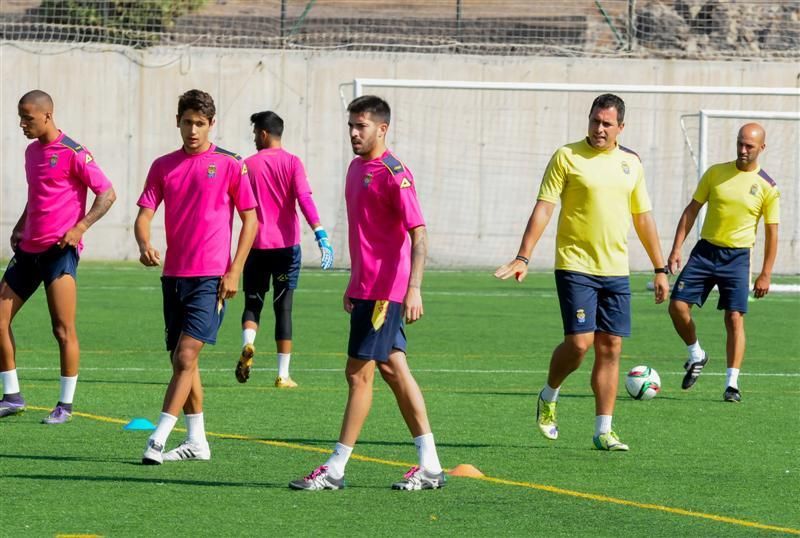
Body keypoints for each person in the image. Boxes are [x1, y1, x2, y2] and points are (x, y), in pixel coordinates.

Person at [495, 93, 669, 451]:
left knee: (611, 348)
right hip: (575, 265)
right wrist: (523, 256)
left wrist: (660, 267)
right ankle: (549, 394)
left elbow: (643, 217)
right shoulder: (567, 156)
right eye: (595, 121)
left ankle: (603, 430)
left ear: (621, 127)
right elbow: (544, 208)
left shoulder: (631, 164)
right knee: (580, 343)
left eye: (607, 123)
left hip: (615, 270)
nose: (599, 128)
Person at [289, 95, 445, 490]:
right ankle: (430, 465)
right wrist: (354, 281)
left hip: (385, 293)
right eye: (350, 126)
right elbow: (367, 236)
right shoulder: (356, 168)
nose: (354, 133)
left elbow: (419, 234)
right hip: (367, 288)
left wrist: (414, 289)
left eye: (361, 126)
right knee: (394, 370)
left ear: (382, 129)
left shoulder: (395, 173)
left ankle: (336, 469)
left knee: (358, 375)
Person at [135, 89, 257, 464]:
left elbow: (250, 220)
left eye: (200, 124)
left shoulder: (231, 164)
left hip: (211, 278)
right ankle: (198, 441)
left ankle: (158, 438)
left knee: (187, 355)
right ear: (177, 121)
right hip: (174, 276)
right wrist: (144, 243)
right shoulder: (162, 165)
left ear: (211, 125)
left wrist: (235, 269)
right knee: (181, 361)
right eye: (187, 122)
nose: (192, 130)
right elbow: (144, 213)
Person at [0, 90, 116, 424]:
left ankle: (65, 405)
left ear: (47, 115)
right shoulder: (30, 153)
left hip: (58, 253)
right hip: (28, 251)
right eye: (20, 117)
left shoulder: (74, 153)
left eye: (28, 118)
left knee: (62, 328)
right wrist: (22, 226)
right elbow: (37, 194)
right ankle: (12, 396)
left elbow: (107, 194)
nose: (22, 124)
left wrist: (80, 228)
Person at [667, 123, 779, 403]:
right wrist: (676, 248)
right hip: (704, 252)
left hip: (738, 257)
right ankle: (696, 354)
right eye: (740, 143)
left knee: (733, 318)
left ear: (761, 148)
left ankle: (732, 384)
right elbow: (691, 210)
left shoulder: (767, 186)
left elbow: (772, 232)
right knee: (677, 306)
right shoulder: (716, 173)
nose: (742, 150)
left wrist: (765, 273)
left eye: (749, 146)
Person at [235, 111, 334, 389]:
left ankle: (249, 344)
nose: (254, 138)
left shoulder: (247, 165)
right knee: (284, 309)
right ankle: (282, 375)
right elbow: (304, 198)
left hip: (255, 247)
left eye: (256, 133)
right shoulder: (292, 163)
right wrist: (319, 233)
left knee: (253, 304)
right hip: (286, 249)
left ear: (264, 133)